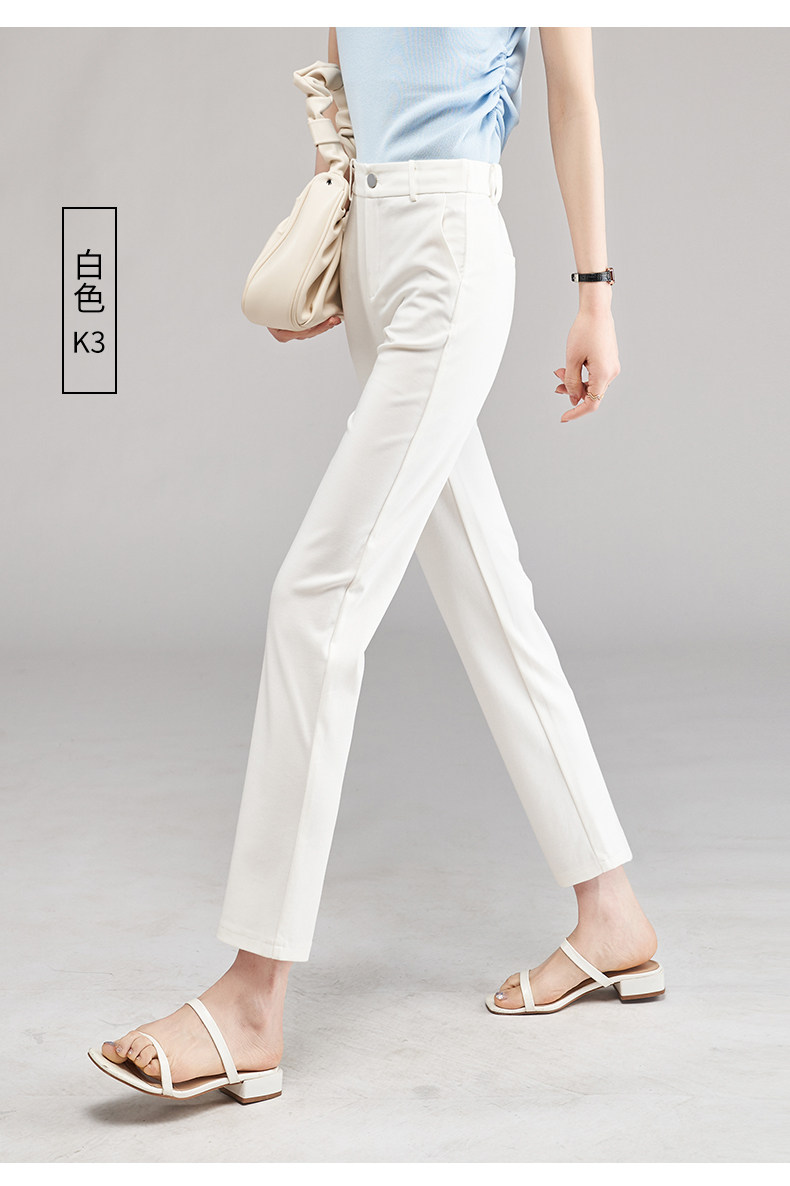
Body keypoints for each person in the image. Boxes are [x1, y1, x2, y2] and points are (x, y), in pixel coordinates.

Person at [89, 26, 662, 1103]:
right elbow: (343, 73)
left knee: (315, 601)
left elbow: (573, 98)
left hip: (450, 252)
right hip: (375, 246)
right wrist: (325, 233)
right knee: (486, 593)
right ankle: (612, 914)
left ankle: (253, 998)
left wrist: (596, 296)